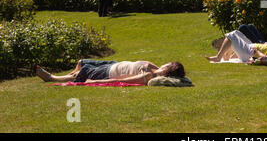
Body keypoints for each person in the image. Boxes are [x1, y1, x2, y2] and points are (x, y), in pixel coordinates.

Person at [36, 59, 185, 85]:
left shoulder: (149, 76)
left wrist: (95, 82)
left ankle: (53, 78)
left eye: (169, 64)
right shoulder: (155, 67)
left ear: (167, 69)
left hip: (108, 72)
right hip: (115, 64)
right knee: (82, 62)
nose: (166, 63)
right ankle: (72, 74)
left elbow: (121, 81)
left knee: (86, 70)